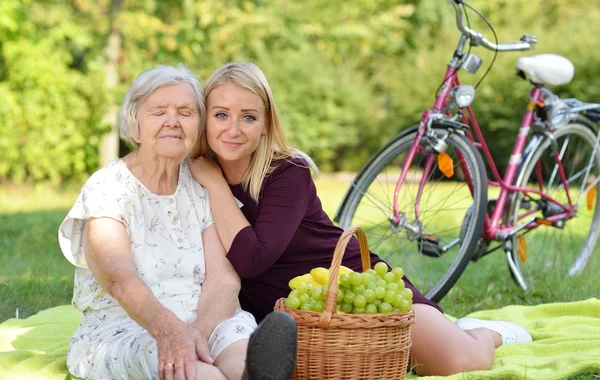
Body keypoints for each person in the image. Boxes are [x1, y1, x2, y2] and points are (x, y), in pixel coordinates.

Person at [187, 62, 533, 377]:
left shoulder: (287, 172)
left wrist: (216, 184)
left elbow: (253, 258)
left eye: (248, 116)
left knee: (454, 362)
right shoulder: (191, 177)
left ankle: (488, 333)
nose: (233, 129)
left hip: (352, 285)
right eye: (221, 115)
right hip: (290, 317)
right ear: (205, 119)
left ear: (266, 124)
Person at [58, 64, 297, 380]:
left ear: (199, 125)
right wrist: (171, 330)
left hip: (206, 321)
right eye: (158, 112)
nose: (172, 121)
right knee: (198, 372)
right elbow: (119, 278)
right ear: (136, 123)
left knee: (240, 352)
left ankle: (251, 373)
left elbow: (223, 280)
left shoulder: (200, 182)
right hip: (131, 328)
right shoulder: (108, 188)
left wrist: (197, 330)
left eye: (185, 112)